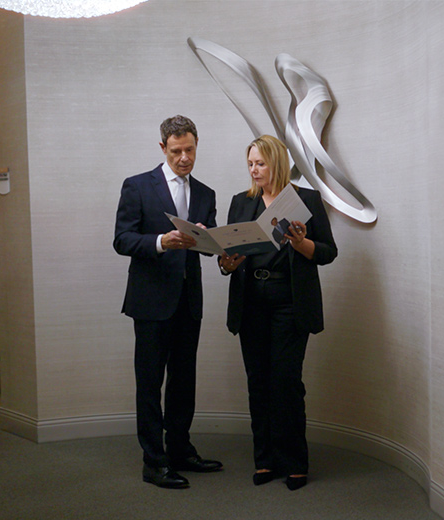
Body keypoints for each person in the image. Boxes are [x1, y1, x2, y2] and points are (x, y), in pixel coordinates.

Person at [217, 135, 338, 491]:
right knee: (258, 383)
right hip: (250, 300)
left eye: (260, 164)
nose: (254, 171)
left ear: (277, 164)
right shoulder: (241, 203)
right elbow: (227, 259)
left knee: (285, 382)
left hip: (290, 302)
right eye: (250, 164)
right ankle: (265, 460)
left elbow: (328, 252)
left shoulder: (306, 200)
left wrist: (301, 244)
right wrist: (227, 262)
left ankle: (294, 462)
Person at [113, 115, 224, 489]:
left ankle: (180, 450)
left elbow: (208, 249)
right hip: (150, 302)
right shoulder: (137, 186)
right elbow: (122, 240)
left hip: (188, 301)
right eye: (176, 151)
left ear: (196, 146)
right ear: (163, 148)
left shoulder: (206, 193)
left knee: (183, 381)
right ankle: (154, 461)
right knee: (149, 384)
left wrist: (212, 242)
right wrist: (162, 242)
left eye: (189, 150)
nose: (183, 158)